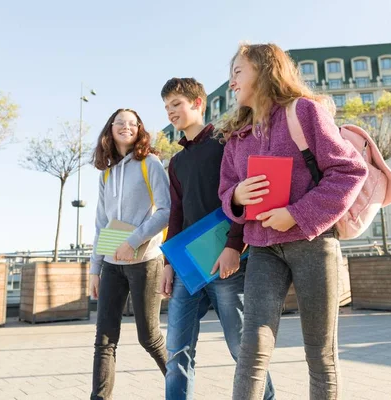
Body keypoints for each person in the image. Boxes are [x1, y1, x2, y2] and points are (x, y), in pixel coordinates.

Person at [217, 43, 368, 400]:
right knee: (252, 348)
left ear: (265, 69)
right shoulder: (235, 139)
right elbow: (225, 193)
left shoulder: (304, 112)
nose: (232, 83)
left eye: (238, 72)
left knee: (320, 352)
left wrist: (296, 214)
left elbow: (349, 170)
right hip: (264, 250)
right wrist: (236, 195)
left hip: (315, 244)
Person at [160, 77, 275, 400]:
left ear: (198, 103)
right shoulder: (177, 162)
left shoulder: (226, 143)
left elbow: (245, 197)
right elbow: (176, 214)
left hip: (225, 261)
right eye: (167, 107)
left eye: (176, 104)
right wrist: (168, 263)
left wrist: (234, 246)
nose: (170, 112)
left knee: (242, 347)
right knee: (177, 349)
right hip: (187, 267)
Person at [89, 108, 171, 400]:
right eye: (120, 122)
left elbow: (165, 211)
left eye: (132, 123)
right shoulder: (107, 174)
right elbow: (101, 223)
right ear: (110, 128)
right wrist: (95, 269)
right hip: (111, 263)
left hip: (145, 262)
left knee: (149, 337)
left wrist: (133, 241)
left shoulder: (151, 164)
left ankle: (180, 388)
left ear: (139, 129)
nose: (126, 126)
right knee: (104, 340)